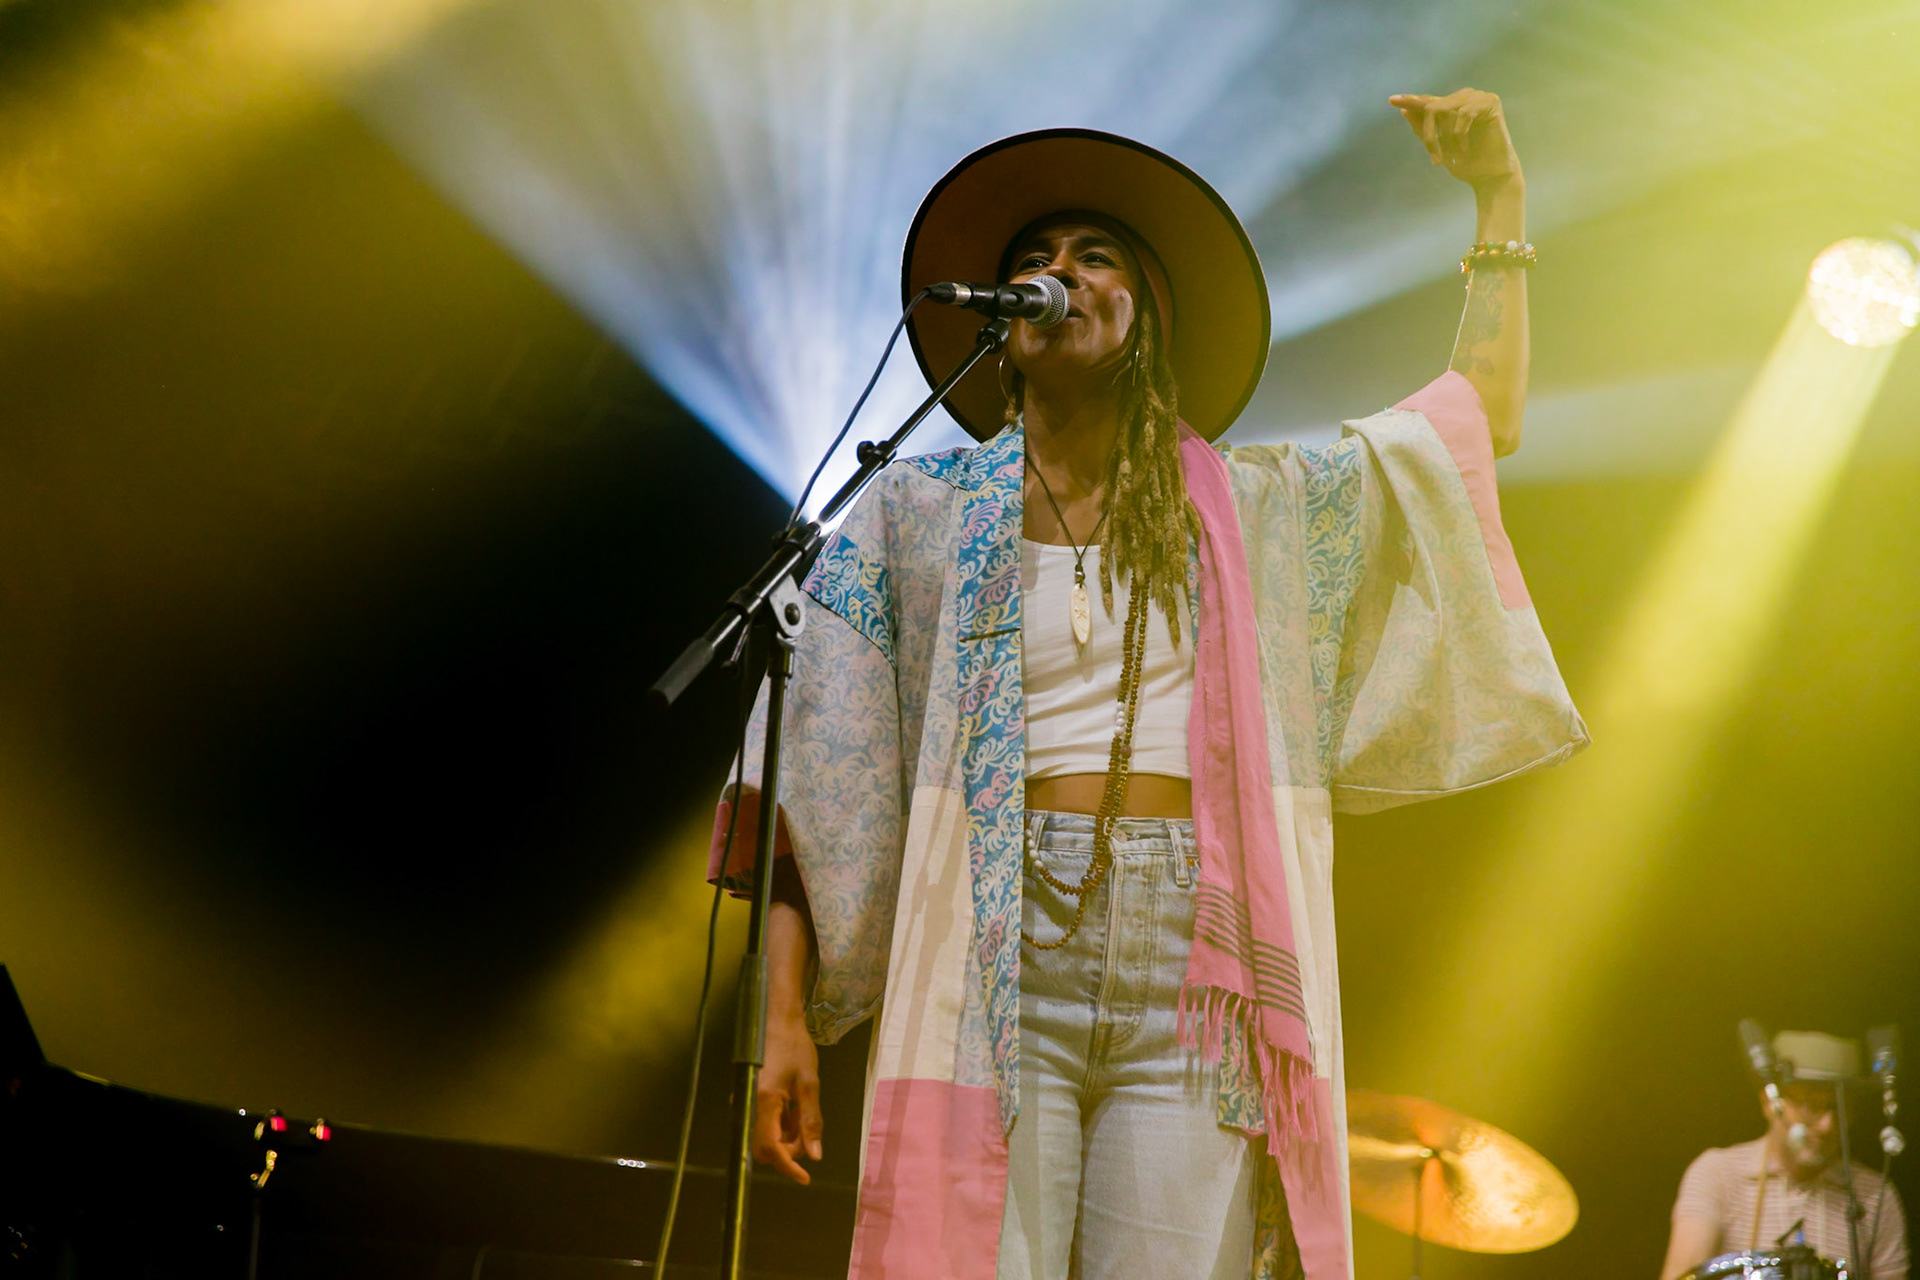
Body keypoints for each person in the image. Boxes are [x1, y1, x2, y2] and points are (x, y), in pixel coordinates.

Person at [709, 90, 1587, 1280]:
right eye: (1032, 261)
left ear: (1149, 315)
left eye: (1092, 256)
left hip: (1198, 966)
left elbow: (1475, 425)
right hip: (994, 937)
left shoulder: (1263, 507)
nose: (1055, 273)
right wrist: (781, 1026)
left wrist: (1500, 200)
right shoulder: (915, 513)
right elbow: (810, 772)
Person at [1659, 1030, 1910, 1280]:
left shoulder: (1875, 1195)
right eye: (1811, 1106)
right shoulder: (1718, 1172)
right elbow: (1681, 1275)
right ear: (1770, 1103)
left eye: (1838, 1108)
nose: (1827, 1125)